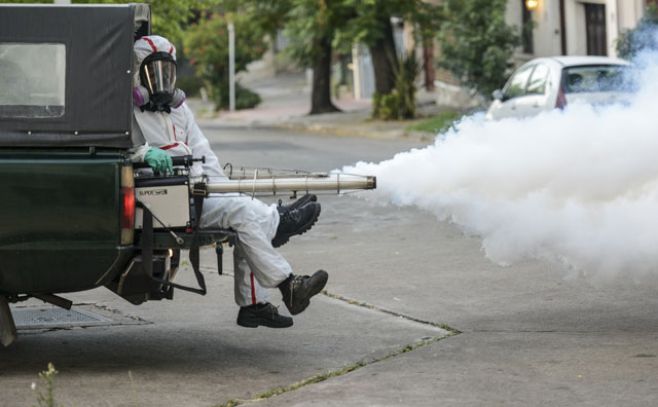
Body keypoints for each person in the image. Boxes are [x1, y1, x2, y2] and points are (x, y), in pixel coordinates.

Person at [131, 35, 328, 328]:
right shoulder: (123, 110)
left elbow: (204, 155)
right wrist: (144, 153)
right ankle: (284, 274)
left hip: (188, 192)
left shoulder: (179, 110)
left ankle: (257, 300)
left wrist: (223, 190)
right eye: (153, 72)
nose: (162, 81)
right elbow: (112, 149)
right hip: (156, 198)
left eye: (167, 72)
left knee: (244, 214)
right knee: (244, 214)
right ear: (137, 73)